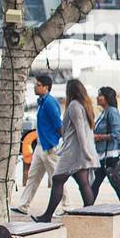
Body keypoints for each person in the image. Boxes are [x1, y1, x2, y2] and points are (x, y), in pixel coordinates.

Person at [31, 78, 98, 222]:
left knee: (57, 179)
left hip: (73, 152)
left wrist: (86, 153)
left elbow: (80, 131)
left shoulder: (74, 106)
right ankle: (90, 212)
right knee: (83, 183)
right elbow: (87, 131)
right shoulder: (85, 105)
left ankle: (47, 216)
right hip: (79, 151)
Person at [13, 74, 65, 215]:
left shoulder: (49, 103)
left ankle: (67, 206)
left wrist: (61, 142)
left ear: (46, 88)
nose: (35, 87)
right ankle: (23, 205)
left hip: (50, 147)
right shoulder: (42, 102)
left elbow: (58, 124)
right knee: (33, 176)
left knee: (56, 178)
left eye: (38, 85)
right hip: (40, 146)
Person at [90, 86, 120, 204]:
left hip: (112, 154)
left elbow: (117, 134)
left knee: (115, 183)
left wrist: (98, 137)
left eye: (100, 95)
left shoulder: (112, 112)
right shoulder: (104, 112)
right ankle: (87, 207)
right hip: (104, 155)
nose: (97, 97)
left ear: (106, 98)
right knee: (98, 183)